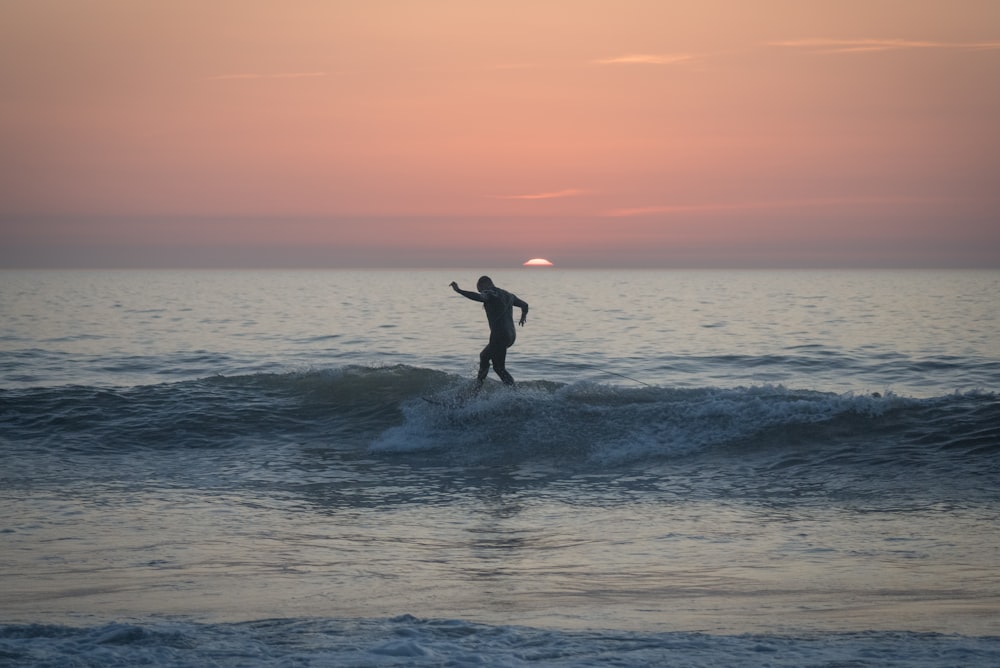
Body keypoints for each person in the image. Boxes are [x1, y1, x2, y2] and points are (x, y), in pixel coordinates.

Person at [450, 276, 529, 387]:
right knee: (484, 356)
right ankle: (477, 388)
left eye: (480, 289)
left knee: (499, 368)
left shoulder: (490, 293)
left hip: (499, 335)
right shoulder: (508, 295)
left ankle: (515, 394)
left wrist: (459, 290)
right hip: (511, 335)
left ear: (483, 285)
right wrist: (523, 316)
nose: (481, 292)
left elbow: (479, 297)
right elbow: (525, 305)